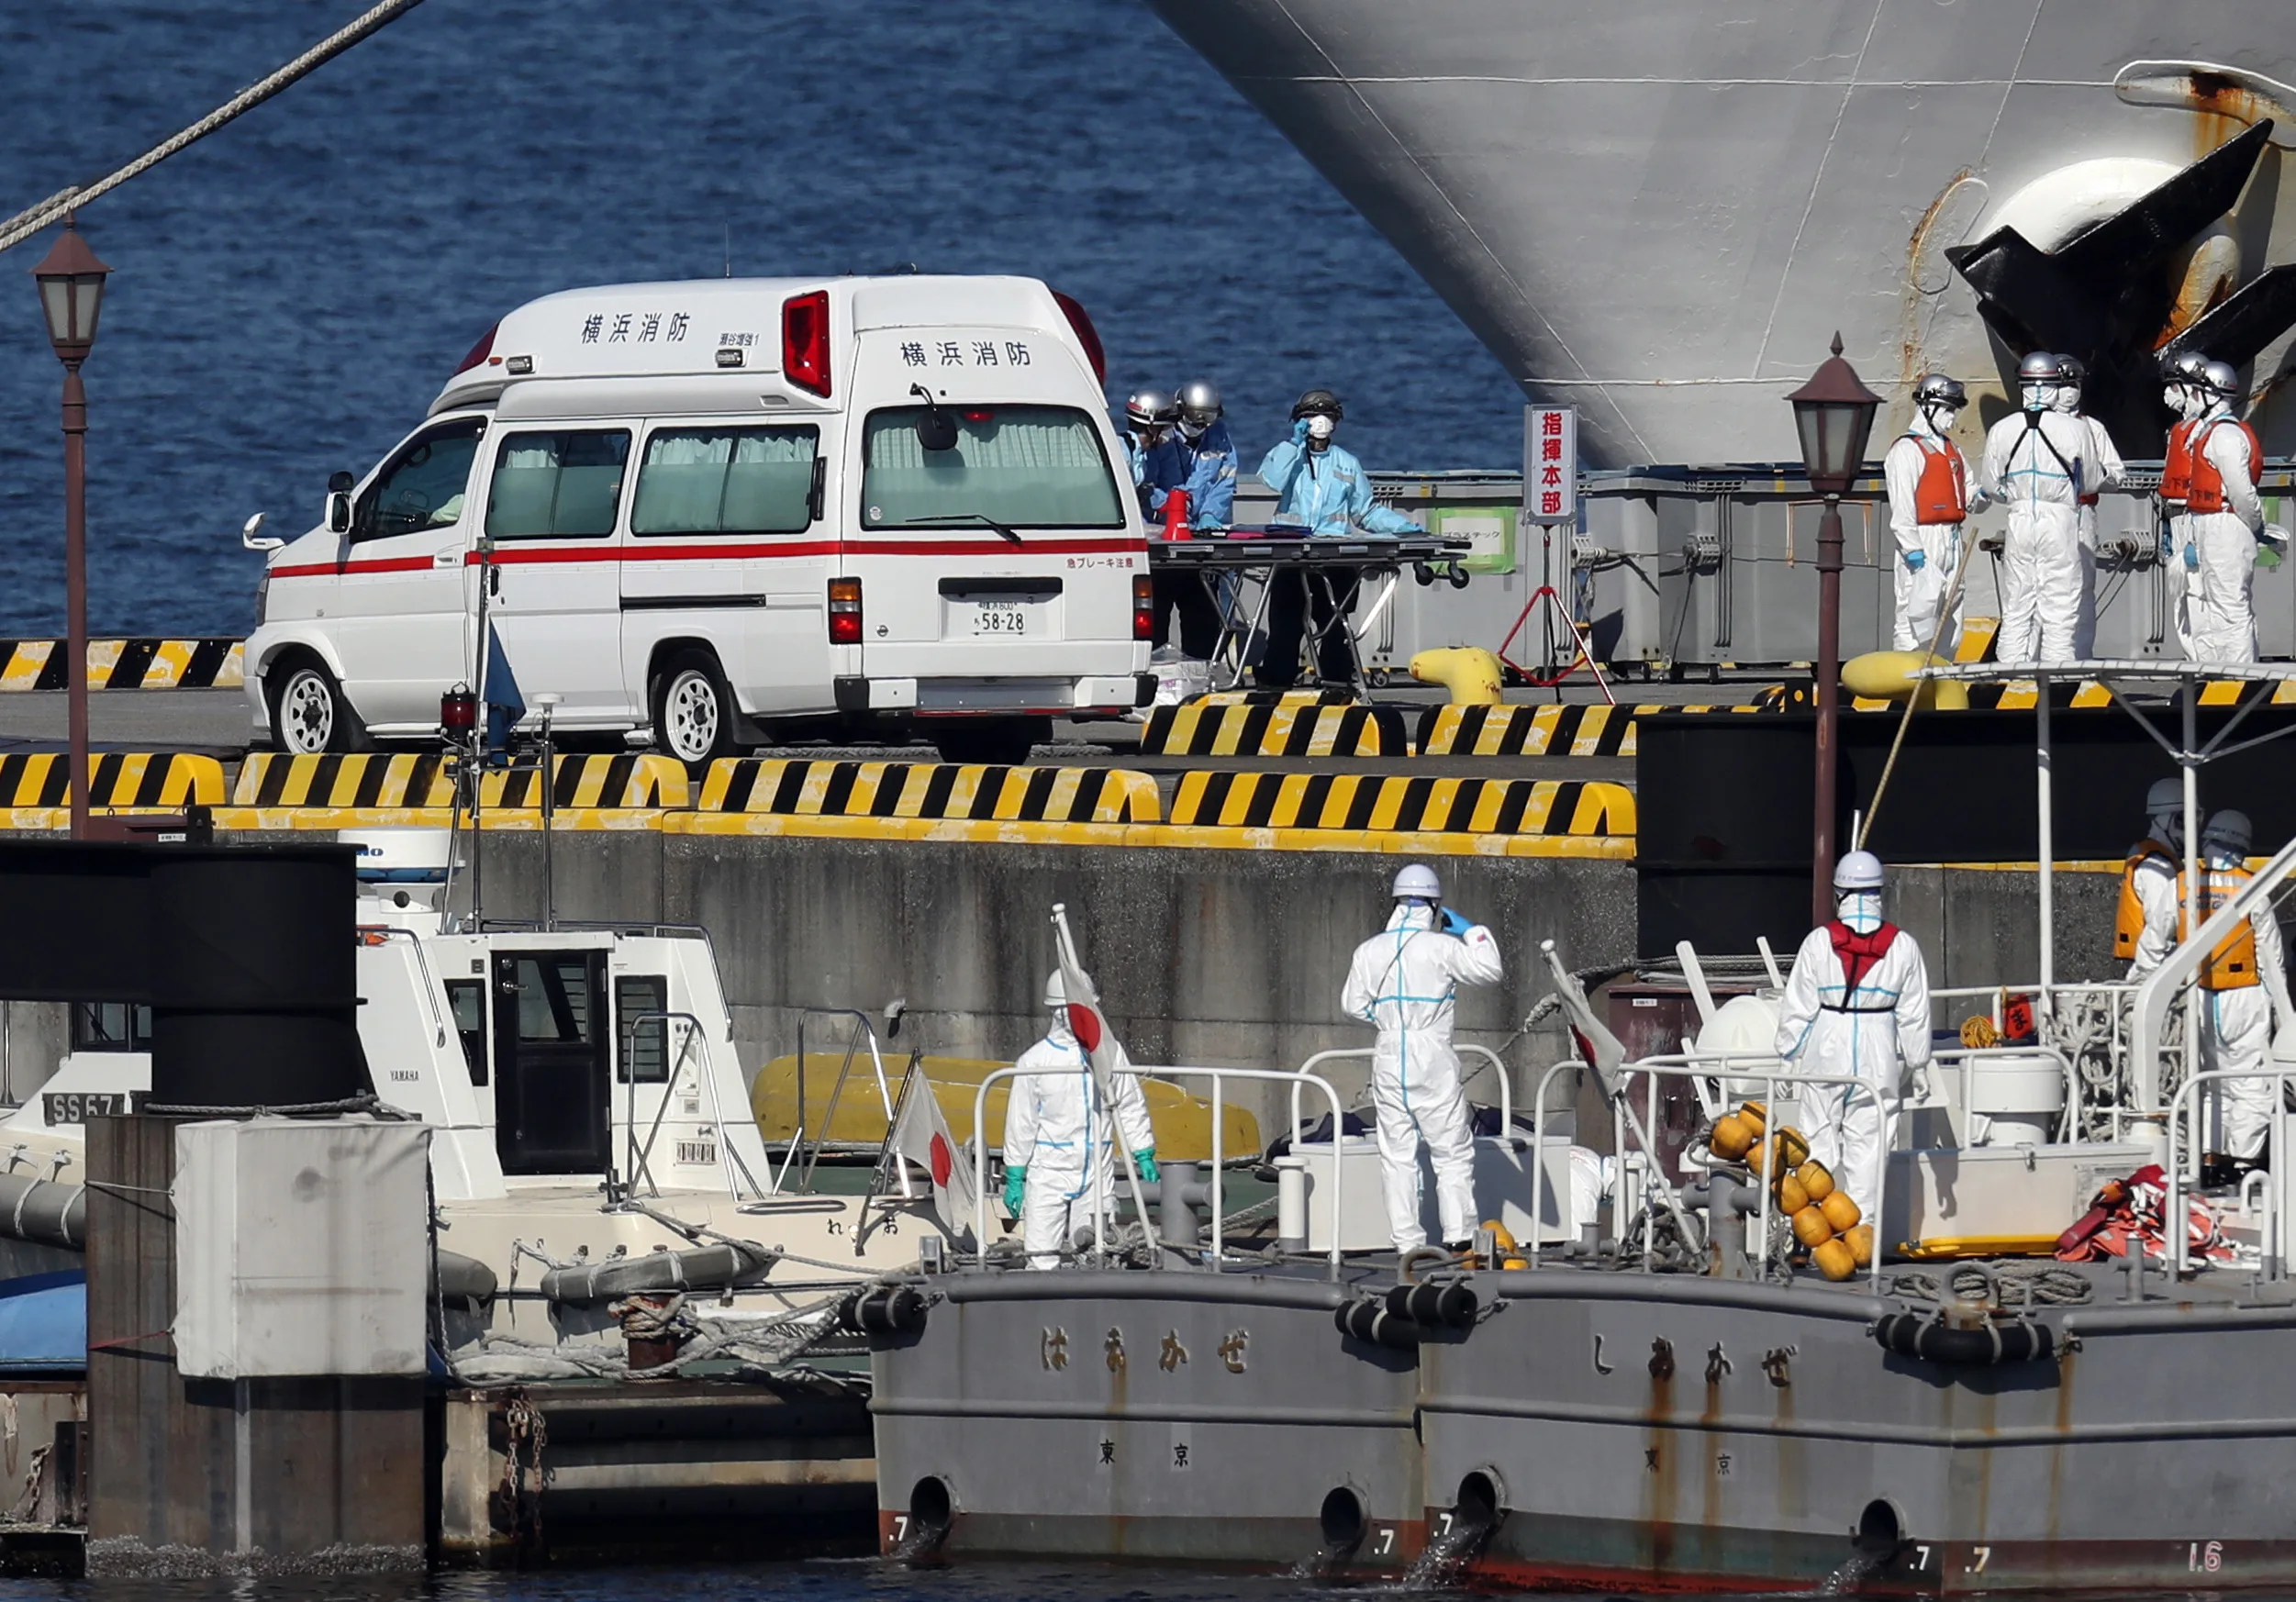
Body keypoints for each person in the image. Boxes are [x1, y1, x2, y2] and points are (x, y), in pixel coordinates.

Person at [1339, 862, 1504, 1254]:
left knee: (1396, 1155)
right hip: (1431, 1053)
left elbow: (1351, 1005)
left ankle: (1406, 1243)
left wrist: (1388, 1021)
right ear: (1434, 906)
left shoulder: (1368, 950)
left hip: (1388, 1051)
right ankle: (1460, 1236)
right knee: (1451, 1150)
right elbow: (1490, 969)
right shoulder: (1442, 947)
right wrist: (1470, 931)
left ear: (1396, 902)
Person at [1772, 851, 1932, 1218]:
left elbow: (1798, 1004)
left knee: (1817, 1138)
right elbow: (1914, 1012)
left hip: (1827, 1040)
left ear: (1840, 892)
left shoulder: (1818, 942)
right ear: (1879, 891)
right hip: (1878, 1044)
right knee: (1871, 1146)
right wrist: (1919, 1064)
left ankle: (1816, 1228)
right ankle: (1864, 1235)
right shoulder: (1904, 945)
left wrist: (1787, 1055)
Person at [1255, 389, 1426, 687]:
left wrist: (1403, 527)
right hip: (1291, 556)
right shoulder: (1289, 456)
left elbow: (1366, 511)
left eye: (1325, 416)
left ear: (1336, 421)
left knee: (1335, 628)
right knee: (1285, 628)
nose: (1319, 422)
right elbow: (1270, 479)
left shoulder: (1347, 463)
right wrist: (1293, 443)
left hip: (1335, 557)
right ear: (1300, 420)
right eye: (1311, 416)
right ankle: (1275, 687)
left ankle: (1336, 686)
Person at [1001, 968, 1159, 1270]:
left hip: (1096, 1168)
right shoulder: (1034, 1062)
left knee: (1097, 1251)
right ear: (1056, 1011)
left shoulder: (1108, 1053)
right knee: (1040, 1254)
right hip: (1049, 1169)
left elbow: (1128, 1101)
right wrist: (1015, 1175)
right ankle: (1039, 1301)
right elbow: (1021, 1123)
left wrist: (1143, 1150)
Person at [2178, 810, 2283, 1167]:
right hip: (2246, 994)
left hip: (2197, 995)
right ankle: (2244, 1163)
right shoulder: (2254, 888)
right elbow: (2271, 956)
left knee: (2209, 1083)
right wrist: (2282, 1013)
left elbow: (2153, 946)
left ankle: (2210, 1157)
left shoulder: (2181, 885)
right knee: (2251, 1084)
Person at [1982, 351, 2095, 666]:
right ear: (2055, 386)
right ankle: (2056, 674)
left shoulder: (2001, 429)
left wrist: (2017, 497)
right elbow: (2092, 481)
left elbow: (1991, 486)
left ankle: (2009, 675)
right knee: (2060, 601)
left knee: (2018, 602)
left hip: (2019, 518)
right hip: (2059, 518)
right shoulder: (2076, 428)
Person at [1881, 373, 1976, 654]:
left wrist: (1983, 495)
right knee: (1916, 611)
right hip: (1924, 538)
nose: (1952, 419)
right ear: (1927, 407)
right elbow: (1902, 509)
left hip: (1952, 537)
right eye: (1947, 410)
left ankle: (1944, 673)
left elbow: (1967, 490)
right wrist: (1914, 552)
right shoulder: (1906, 451)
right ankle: (1909, 680)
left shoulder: (1951, 449)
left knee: (1951, 608)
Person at [2183, 360, 2266, 664]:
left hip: (2226, 523)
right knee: (2216, 604)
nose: (2192, 397)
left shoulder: (2225, 436)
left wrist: (2255, 524)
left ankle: (2241, 675)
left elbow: (2241, 491)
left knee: (2231, 605)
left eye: (2197, 391)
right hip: (2210, 522)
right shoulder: (2209, 432)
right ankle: (2222, 672)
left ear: (2212, 395)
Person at [1147, 380, 1233, 658]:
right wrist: (1169, 508)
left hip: (1199, 543)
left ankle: (1201, 672)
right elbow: (1144, 481)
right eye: (1196, 418)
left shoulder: (1218, 435)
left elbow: (1224, 480)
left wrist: (1210, 515)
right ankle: (1154, 676)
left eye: (1208, 418)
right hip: (1161, 542)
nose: (1201, 425)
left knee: (1202, 618)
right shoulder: (1160, 435)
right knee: (1154, 618)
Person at [2050, 355, 2125, 657]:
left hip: (2082, 513)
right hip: (2048, 512)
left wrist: (2095, 478)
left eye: (2075, 384)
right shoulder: (2033, 427)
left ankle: (2079, 656)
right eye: (2063, 384)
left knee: (2082, 586)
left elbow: (2116, 473)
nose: (2070, 391)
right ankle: (2041, 657)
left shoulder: (2093, 428)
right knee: (2043, 584)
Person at [2158, 351, 2211, 657]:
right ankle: (2196, 662)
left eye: (2175, 386)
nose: (2168, 393)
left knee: (2199, 593)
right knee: (2182, 597)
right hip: (2177, 515)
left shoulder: (2207, 431)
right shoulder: (2178, 430)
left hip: (2197, 518)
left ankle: (2209, 665)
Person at [2119, 776, 2195, 979]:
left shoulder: (2161, 861)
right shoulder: (2157, 869)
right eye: (2185, 820)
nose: (2192, 828)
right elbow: (2160, 932)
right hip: (2156, 973)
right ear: (2168, 820)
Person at [1121, 388, 1185, 521]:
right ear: (1151, 428)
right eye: (1163, 429)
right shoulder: (1124, 453)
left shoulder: (1139, 454)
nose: (1164, 437)